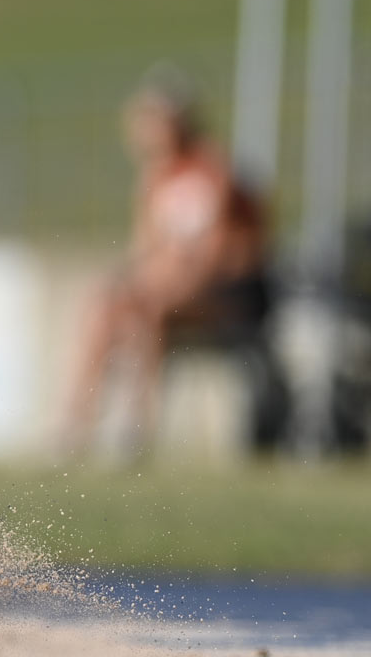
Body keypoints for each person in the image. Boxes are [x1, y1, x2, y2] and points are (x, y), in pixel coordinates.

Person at [59, 71, 274, 458]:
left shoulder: (212, 170)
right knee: (105, 304)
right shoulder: (154, 178)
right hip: (174, 289)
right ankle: (78, 422)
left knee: (148, 306)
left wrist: (158, 284)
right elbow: (144, 251)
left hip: (228, 293)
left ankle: (136, 428)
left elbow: (218, 254)